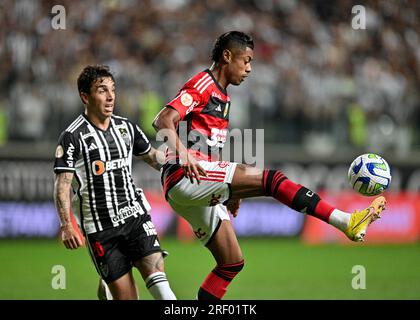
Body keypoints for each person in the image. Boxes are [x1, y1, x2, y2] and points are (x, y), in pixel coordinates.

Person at [152, 31, 387, 300]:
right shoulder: (202, 84)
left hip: (190, 186)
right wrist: (184, 155)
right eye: (246, 60)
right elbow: (163, 120)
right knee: (272, 180)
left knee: (231, 262)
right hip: (184, 175)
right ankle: (346, 221)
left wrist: (232, 190)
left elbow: (202, 144)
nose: (249, 69)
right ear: (227, 56)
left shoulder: (223, 96)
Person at [53, 65, 176, 300]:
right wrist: (67, 225)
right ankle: (108, 286)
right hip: (100, 229)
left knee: (161, 287)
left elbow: (152, 157)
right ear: (85, 96)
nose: (110, 97)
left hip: (135, 217)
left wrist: (182, 163)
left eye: (113, 90)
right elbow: (63, 185)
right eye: (102, 91)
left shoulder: (126, 127)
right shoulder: (72, 136)